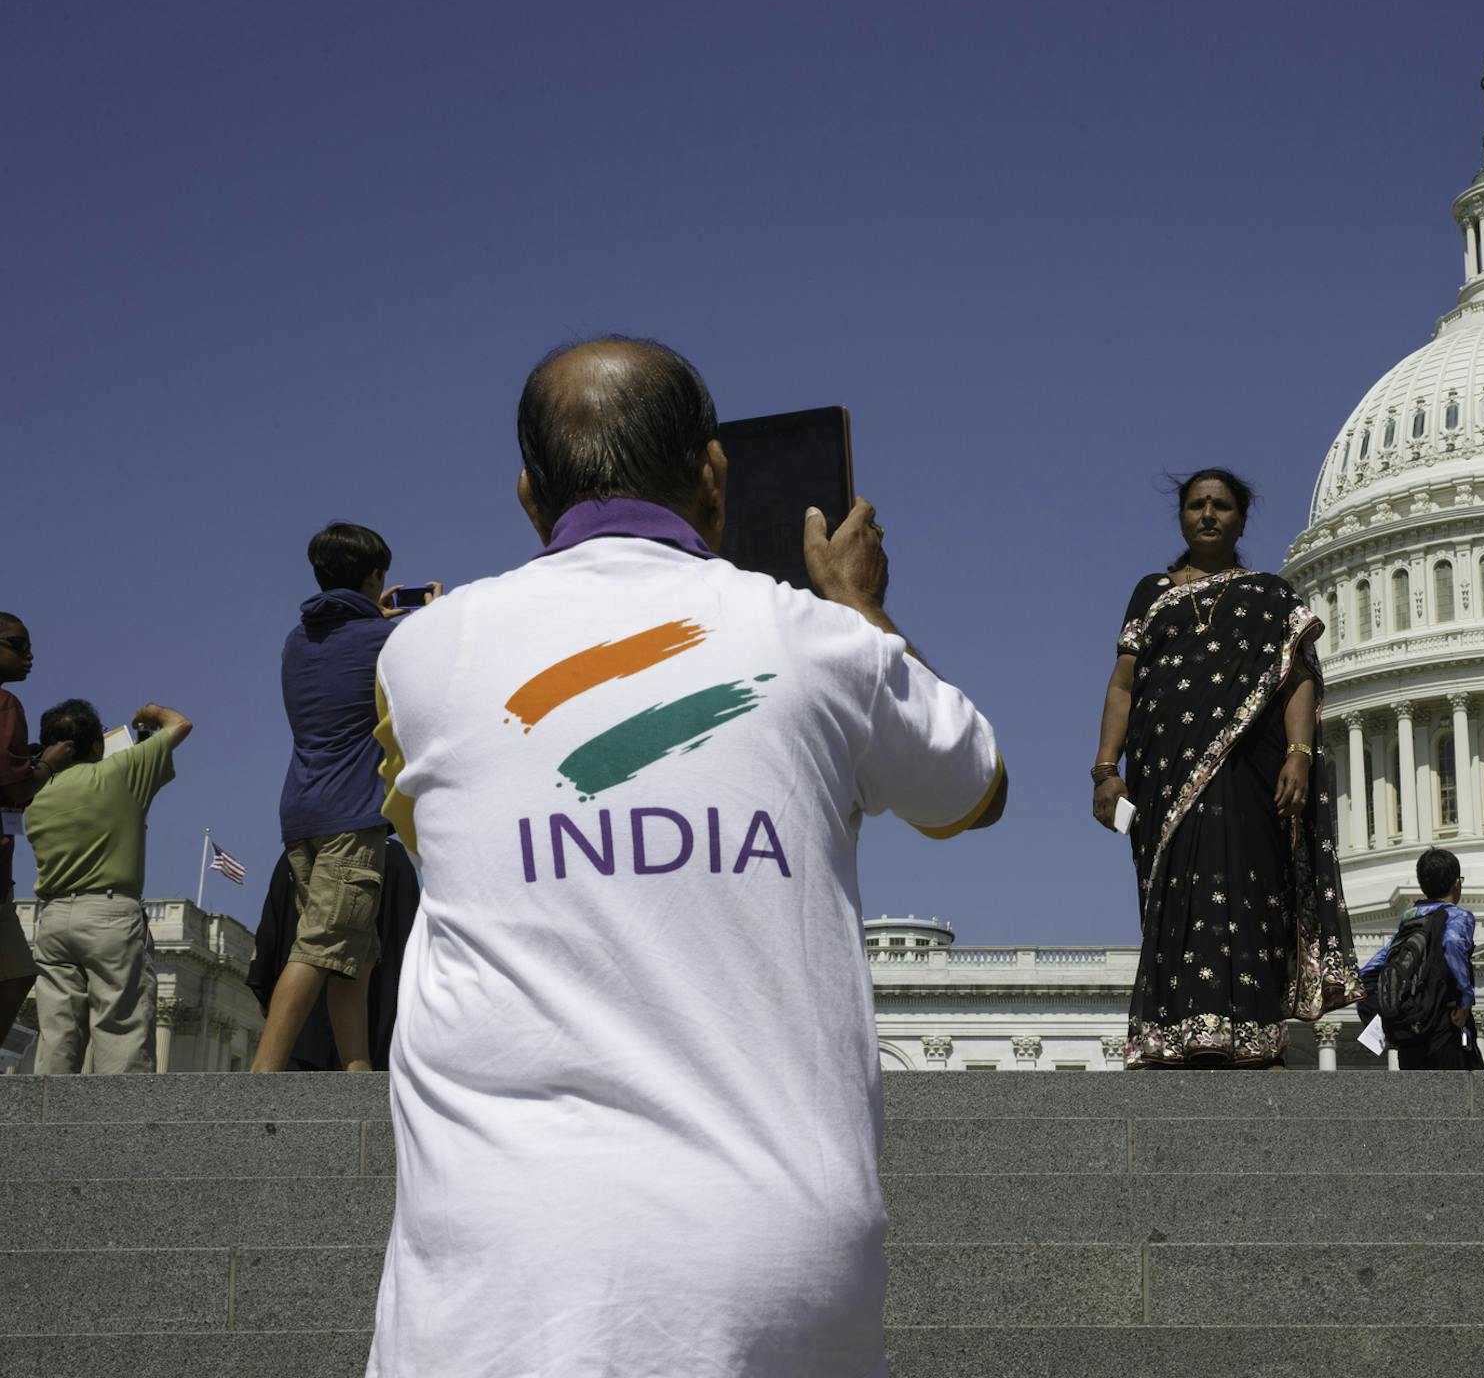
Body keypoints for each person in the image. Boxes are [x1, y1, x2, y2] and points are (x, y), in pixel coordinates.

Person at [365, 337, 1005, 1378]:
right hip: (774, 1266)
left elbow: (431, 836)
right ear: (715, 476)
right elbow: (975, 786)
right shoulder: (817, 640)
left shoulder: (423, 656)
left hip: (498, 1278)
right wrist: (862, 611)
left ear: (532, 497)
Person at [1090, 468, 1361, 1067]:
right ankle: (1169, 1034)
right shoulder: (1151, 593)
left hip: (1246, 777)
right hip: (1163, 775)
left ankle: (1250, 1033)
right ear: (1181, 515)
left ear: (1240, 517)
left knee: (1243, 890)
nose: (1207, 515)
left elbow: (1299, 679)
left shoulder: (1270, 596)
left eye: (1220, 506)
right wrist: (1106, 769)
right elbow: (1123, 684)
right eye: (1195, 506)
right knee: (1173, 895)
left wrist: (1298, 755)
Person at [253, 522, 404, 1074]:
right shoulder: (388, 640)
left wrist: (372, 616)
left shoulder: (298, 639)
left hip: (301, 810)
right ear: (375, 576)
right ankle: (260, 1077)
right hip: (351, 811)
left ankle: (357, 1068)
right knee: (323, 944)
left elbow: (345, 662)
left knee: (354, 951)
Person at [23, 698, 192, 1074]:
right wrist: (149, 713)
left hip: (53, 918)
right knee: (122, 1031)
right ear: (97, 745)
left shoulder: (34, 797)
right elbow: (179, 724)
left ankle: (49, 1122)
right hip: (110, 913)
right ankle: (124, 1130)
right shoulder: (121, 772)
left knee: (57, 1035)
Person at [245, 838, 421, 1071]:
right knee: (337, 951)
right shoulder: (388, 856)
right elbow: (407, 939)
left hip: (301, 1035)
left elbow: (270, 937)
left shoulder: (295, 852)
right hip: (375, 1020)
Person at [0, 613, 71, 1042]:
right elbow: (15, 785)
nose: (30, 655)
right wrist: (48, 762)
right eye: (18, 644)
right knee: (18, 973)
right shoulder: (6, 704)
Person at [1358, 846, 1481, 1069]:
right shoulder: (1457, 916)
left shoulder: (1409, 925)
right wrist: (1464, 1001)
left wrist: (1387, 1022)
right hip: (1446, 1031)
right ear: (1457, 882)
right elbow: (1452, 944)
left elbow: (1366, 975)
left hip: (1412, 1038)